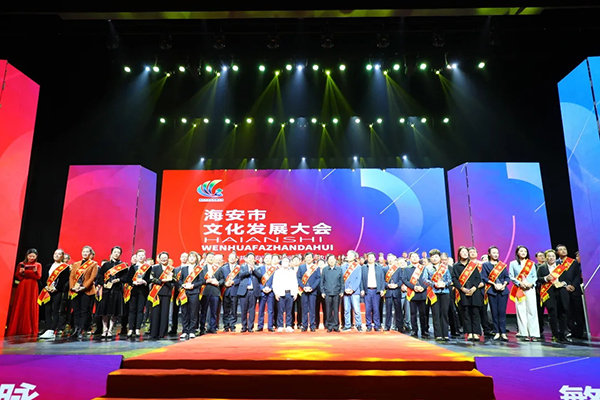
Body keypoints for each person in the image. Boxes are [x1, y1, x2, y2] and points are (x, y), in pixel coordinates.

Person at [537, 249, 573, 343]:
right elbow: (538, 279)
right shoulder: (542, 268)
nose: (551, 258)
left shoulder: (561, 267)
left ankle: (562, 335)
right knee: (552, 314)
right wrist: (546, 278)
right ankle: (555, 335)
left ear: (555, 257)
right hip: (549, 293)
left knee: (562, 314)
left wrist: (562, 283)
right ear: (546, 258)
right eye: (549, 256)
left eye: (553, 256)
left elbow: (567, 280)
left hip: (561, 292)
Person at [7, 249, 42, 337]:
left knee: (30, 304)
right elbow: (18, 277)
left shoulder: (38, 265)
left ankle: (30, 328)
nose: (31, 258)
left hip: (33, 286)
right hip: (23, 285)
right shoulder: (21, 264)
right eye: (30, 256)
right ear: (27, 256)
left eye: (33, 256)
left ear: (36, 257)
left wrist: (34, 271)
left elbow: (38, 277)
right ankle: (17, 327)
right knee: (20, 303)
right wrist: (21, 272)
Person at [96, 246, 129, 339]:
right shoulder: (106, 265)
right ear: (111, 253)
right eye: (115, 252)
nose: (116, 254)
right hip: (106, 290)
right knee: (105, 311)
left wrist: (118, 280)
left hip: (117, 290)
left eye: (118, 252)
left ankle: (110, 330)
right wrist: (103, 284)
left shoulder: (123, 266)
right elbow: (99, 276)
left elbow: (126, 277)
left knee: (114, 311)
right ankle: (104, 329)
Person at [452, 246, 483, 341]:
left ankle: (476, 333)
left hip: (474, 292)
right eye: (463, 252)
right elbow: (454, 279)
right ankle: (469, 333)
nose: (465, 253)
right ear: (459, 254)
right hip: (463, 292)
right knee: (466, 313)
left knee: (475, 313)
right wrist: (462, 289)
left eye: (466, 252)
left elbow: (478, 278)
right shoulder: (456, 266)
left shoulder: (473, 265)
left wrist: (474, 288)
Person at [509, 245, 540, 341]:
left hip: (530, 288)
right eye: (521, 251)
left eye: (525, 251)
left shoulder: (531, 264)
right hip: (519, 289)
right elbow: (511, 276)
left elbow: (535, 276)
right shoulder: (513, 263)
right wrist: (520, 283)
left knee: (532, 310)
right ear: (517, 253)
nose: (523, 253)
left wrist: (531, 284)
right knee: (521, 310)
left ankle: (534, 333)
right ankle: (524, 333)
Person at [68, 246, 98, 340]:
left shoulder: (93, 264)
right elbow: (72, 276)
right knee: (76, 311)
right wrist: (73, 287)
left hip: (86, 291)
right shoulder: (76, 264)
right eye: (83, 251)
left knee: (84, 311)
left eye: (87, 252)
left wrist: (84, 287)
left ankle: (81, 330)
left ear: (90, 253)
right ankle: (75, 329)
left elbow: (92, 277)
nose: (85, 253)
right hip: (76, 290)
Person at [38, 249, 70, 340]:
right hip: (47, 290)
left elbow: (64, 280)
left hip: (57, 291)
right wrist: (46, 286)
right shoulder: (48, 266)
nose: (56, 255)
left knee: (55, 310)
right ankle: (47, 328)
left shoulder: (65, 267)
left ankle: (52, 330)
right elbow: (43, 277)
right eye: (55, 253)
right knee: (47, 310)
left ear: (62, 256)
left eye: (59, 254)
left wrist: (56, 288)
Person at [482, 246, 510, 341]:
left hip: (503, 291)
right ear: (489, 254)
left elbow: (507, 277)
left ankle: (503, 332)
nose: (495, 254)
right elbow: (484, 277)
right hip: (492, 291)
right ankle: (497, 332)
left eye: (497, 253)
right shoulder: (485, 265)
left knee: (502, 312)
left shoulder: (502, 265)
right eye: (493, 253)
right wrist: (494, 284)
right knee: (494, 312)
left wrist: (503, 285)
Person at [557, 245, 585, 339]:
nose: (563, 251)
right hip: (563, 290)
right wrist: (565, 285)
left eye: (565, 249)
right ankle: (572, 330)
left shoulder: (573, 262)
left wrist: (573, 285)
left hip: (575, 289)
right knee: (567, 312)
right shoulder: (556, 263)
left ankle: (580, 332)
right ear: (557, 252)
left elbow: (577, 275)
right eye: (561, 250)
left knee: (578, 311)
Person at [424, 249, 452, 341]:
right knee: (436, 313)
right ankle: (438, 334)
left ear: (439, 258)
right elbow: (425, 279)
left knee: (444, 313)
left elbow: (449, 280)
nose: (434, 259)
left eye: (436, 257)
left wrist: (444, 284)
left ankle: (445, 334)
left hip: (445, 292)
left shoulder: (445, 268)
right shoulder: (427, 268)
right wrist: (434, 284)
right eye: (432, 257)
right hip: (433, 293)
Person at [176, 251, 204, 340]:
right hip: (184, 292)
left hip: (194, 292)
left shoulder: (199, 269)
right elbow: (180, 280)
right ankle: (185, 331)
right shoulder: (184, 268)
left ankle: (192, 331)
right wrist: (183, 285)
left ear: (196, 259)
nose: (191, 258)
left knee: (193, 312)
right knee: (184, 312)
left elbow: (202, 281)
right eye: (190, 257)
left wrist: (193, 285)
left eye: (193, 257)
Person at [125, 249, 152, 339]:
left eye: (142, 255)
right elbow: (128, 279)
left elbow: (149, 279)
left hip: (143, 291)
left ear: (145, 257)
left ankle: (137, 328)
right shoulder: (132, 267)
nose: (141, 257)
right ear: (136, 257)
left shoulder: (148, 267)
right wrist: (133, 282)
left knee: (140, 310)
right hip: (133, 291)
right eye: (139, 255)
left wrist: (145, 281)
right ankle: (130, 329)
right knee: (132, 310)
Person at [148, 252, 175, 340]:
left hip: (167, 292)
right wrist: (161, 280)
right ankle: (154, 333)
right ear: (159, 259)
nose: (163, 259)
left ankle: (162, 333)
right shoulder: (155, 267)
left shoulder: (171, 269)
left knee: (165, 313)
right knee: (155, 313)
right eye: (162, 257)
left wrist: (171, 279)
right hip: (156, 293)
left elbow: (174, 280)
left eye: (165, 257)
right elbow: (151, 278)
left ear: (168, 259)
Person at [468, 247, 493, 337]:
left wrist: (482, 283)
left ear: (477, 253)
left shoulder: (482, 264)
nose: (472, 253)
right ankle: (474, 330)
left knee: (483, 310)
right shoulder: (467, 265)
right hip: (470, 289)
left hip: (482, 289)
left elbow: (486, 276)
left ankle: (486, 329)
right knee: (473, 311)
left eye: (474, 252)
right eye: (470, 252)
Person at [404, 252, 428, 338]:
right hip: (412, 293)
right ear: (410, 259)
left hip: (422, 293)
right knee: (413, 313)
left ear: (419, 258)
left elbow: (428, 279)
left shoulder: (423, 268)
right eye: (412, 257)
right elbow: (405, 280)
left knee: (423, 314)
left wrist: (423, 287)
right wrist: (414, 287)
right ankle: (414, 330)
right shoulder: (407, 269)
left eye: (416, 256)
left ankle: (424, 330)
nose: (414, 258)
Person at [215, 251, 240, 332]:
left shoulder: (239, 268)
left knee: (234, 309)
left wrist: (234, 282)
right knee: (226, 309)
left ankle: (232, 325)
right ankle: (226, 325)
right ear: (228, 259)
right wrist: (225, 283)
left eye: (233, 257)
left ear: (236, 259)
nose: (232, 259)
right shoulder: (223, 268)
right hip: (226, 290)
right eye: (230, 257)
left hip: (234, 290)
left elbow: (240, 279)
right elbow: (221, 278)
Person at [272, 257, 298, 332]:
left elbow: (295, 283)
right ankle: (280, 326)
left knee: (289, 311)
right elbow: (275, 283)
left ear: (289, 263)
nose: (285, 262)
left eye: (287, 261)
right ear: (281, 262)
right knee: (280, 310)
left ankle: (288, 325)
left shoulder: (292, 272)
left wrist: (295, 293)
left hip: (290, 293)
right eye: (284, 261)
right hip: (280, 293)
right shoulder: (277, 272)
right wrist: (276, 293)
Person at [360, 252, 385, 332]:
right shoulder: (363, 267)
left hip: (376, 290)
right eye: (369, 257)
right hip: (367, 290)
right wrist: (362, 289)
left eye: (372, 257)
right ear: (367, 258)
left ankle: (377, 325)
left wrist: (382, 289)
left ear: (375, 258)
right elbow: (361, 280)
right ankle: (368, 325)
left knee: (376, 309)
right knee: (368, 309)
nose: (370, 259)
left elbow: (382, 279)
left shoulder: (379, 267)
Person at [297, 252, 321, 332]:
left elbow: (318, 278)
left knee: (312, 309)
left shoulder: (316, 267)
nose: (308, 259)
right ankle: (304, 325)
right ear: (305, 258)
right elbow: (298, 278)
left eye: (310, 257)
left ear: (312, 258)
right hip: (303, 291)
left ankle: (312, 325)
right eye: (307, 257)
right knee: (304, 308)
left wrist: (312, 287)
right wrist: (303, 287)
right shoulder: (301, 267)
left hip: (312, 291)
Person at [199, 252, 222, 334]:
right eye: (209, 257)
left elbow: (222, 279)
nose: (211, 258)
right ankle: (202, 328)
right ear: (206, 258)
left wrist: (218, 282)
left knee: (213, 311)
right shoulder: (202, 268)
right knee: (203, 311)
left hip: (215, 292)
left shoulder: (218, 268)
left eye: (212, 257)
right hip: (205, 292)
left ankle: (212, 327)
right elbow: (200, 280)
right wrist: (206, 281)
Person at [254, 253, 278, 332]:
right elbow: (258, 280)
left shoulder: (275, 269)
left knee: (270, 310)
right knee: (261, 309)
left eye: (269, 258)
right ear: (264, 259)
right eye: (266, 258)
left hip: (271, 292)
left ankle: (270, 326)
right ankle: (260, 326)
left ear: (271, 260)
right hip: (262, 292)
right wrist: (262, 288)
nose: (268, 260)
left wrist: (271, 288)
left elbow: (276, 281)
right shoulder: (260, 268)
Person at [320, 254, 343, 332]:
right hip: (327, 293)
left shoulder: (339, 269)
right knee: (328, 310)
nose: (331, 261)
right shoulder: (325, 270)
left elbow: (342, 282)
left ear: (335, 260)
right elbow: (322, 281)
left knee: (336, 310)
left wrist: (341, 291)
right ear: (327, 261)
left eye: (333, 259)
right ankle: (329, 326)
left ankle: (336, 326)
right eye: (330, 259)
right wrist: (322, 291)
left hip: (337, 293)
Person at [237, 252, 260, 333]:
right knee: (243, 309)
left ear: (254, 259)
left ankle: (250, 327)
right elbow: (240, 275)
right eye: (249, 258)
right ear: (246, 259)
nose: (251, 259)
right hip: (244, 291)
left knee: (252, 310)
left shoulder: (257, 267)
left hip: (253, 291)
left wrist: (253, 270)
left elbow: (260, 276)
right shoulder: (242, 266)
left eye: (252, 258)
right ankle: (244, 326)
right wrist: (248, 270)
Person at [341, 250, 363, 332]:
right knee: (346, 310)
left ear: (354, 257)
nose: (349, 256)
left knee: (356, 310)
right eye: (348, 255)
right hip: (345, 291)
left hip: (355, 291)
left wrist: (352, 289)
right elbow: (341, 279)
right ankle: (347, 325)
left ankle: (359, 325)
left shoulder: (358, 266)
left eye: (351, 255)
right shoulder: (343, 266)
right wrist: (345, 289)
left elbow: (358, 279)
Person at [169, 252, 188, 336]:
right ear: (180, 258)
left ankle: (185, 329)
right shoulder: (176, 269)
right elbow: (174, 280)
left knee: (185, 311)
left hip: (186, 292)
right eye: (182, 257)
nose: (184, 258)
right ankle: (174, 328)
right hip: (177, 292)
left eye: (185, 257)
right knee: (175, 311)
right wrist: (178, 287)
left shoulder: (190, 269)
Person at [383, 254, 404, 332]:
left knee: (398, 310)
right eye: (389, 258)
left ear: (394, 259)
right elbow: (382, 280)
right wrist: (387, 285)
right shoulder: (384, 269)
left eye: (391, 258)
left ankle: (399, 326)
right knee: (388, 310)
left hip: (396, 291)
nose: (390, 260)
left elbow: (401, 280)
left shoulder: (398, 269)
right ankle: (387, 326)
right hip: (388, 291)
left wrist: (397, 285)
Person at [534, 251, 547, 335]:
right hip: (539, 291)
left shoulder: (549, 266)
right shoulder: (534, 266)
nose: (542, 257)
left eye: (543, 256)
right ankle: (539, 327)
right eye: (540, 256)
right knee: (539, 310)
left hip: (549, 290)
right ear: (536, 258)